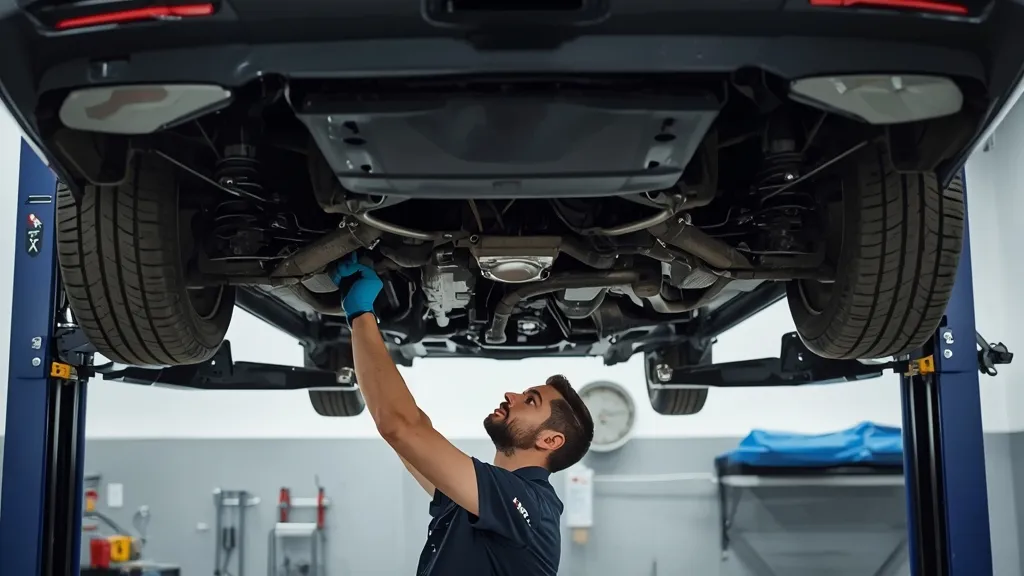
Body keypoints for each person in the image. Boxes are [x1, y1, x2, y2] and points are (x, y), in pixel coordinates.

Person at [331, 254, 595, 576]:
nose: (511, 395)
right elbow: (410, 435)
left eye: (530, 400)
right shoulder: (483, 499)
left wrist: (360, 313)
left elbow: (399, 426)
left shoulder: (528, 503)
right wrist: (360, 319)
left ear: (550, 439)